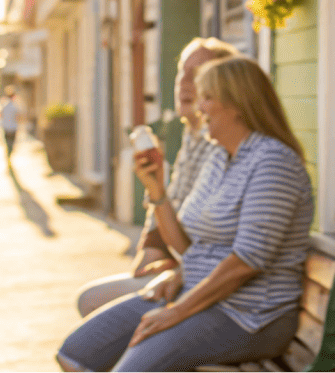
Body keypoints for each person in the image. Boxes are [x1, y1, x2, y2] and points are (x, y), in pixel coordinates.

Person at [57, 56, 313, 372]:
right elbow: (185, 246)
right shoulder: (220, 157)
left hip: (250, 316)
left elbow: (246, 262)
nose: (199, 107)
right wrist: (156, 190)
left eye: (207, 97)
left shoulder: (273, 163)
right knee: (74, 354)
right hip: (198, 297)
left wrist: (176, 311)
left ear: (237, 105)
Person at [75, 37, 240, 316]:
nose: (184, 82)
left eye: (197, 73)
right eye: (182, 72)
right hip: (184, 266)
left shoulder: (224, 144)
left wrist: (177, 265)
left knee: (91, 302)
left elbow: (220, 239)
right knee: (93, 302)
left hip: (206, 286)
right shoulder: (191, 135)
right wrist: (153, 249)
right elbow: (170, 200)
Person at [0, 86, 20, 158]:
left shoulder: (4, 105)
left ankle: (8, 155)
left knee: (7, 143)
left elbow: (1, 116)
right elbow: (17, 117)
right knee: (11, 143)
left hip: (6, 127)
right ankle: (9, 155)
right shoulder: (15, 106)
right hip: (13, 127)